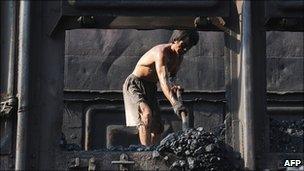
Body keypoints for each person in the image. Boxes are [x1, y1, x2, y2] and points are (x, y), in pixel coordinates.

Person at [123, 30, 199, 146]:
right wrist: (175, 104)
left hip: (151, 87)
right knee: (146, 114)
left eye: (188, 48)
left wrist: (174, 87)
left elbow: (171, 78)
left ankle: (154, 153)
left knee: (157, 127)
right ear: (175, 40)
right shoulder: (161, 52)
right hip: (135, 84)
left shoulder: (178, 57)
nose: (184, 50)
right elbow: (163, 80)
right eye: (183, 46)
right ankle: (145, 151)